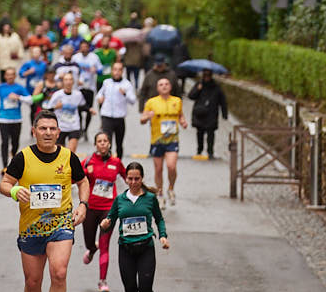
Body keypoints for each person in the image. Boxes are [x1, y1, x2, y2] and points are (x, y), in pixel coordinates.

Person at [0, 110, 89, 292]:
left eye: (52, 129)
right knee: (32, 281)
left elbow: (83, 182)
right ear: (34, 131)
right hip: (31, 227)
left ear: (59, 132)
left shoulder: (69, 157)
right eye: (43, 128)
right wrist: (15, 191)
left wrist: (83, 204)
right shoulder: (23, 157)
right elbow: (4, 183)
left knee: (59, 273)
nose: (48, 133)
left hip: (61, 224)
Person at [100, 161, 168, 292]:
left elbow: (159, 219)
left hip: (145, 248)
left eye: (136, 179)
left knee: (145, 287)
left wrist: (163, 236)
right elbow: (110, 219)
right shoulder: (120, 199)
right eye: (130, 178)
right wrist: (104, 225)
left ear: (142, 178)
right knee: (130, 288)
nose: (133, 182)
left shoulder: (150, 199)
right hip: (126, 249)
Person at [81, 131, 125, 292]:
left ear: (109, 144)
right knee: (89, 242)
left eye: (105, 141)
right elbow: (75, 178)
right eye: (99, 141)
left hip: (109, 209)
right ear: (95, 144)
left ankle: (102, 281)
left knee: (105, 245)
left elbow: (129, 178)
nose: (103, 144)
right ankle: (92, 249)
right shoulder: (87, 162)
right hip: (91, 208)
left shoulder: (116, 162)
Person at [140, 76, 186, 208]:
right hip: (157, 140)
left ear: (170, 87)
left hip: (172, 140)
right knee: (158, 169)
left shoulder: (177, 101)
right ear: (157, 88)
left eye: (167, 84)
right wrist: (146, 117)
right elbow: (142, 119)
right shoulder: (151, 102)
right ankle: (159, 193)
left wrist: (183, 121)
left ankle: (171, 188)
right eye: (161, 84)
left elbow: (180, 115)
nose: (164, 86)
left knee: (171, 166)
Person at [0, 67, 31, 169]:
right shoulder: (0, 87)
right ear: (5, 76)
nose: (10, 76)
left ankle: (13, 156)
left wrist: (18, 97)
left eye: (12, 74)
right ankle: (5, 166)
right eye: (8, 74)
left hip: (16, 119)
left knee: (15, 142)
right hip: (3, 119)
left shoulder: (19, 88)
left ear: (15, 76)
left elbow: (30, 100)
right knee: (4, 142)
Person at [95, 62, 136, 159]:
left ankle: (118, 164)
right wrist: (100, 98)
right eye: (115, 69)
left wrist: (125, 94)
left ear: (122, 71)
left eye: (119, 70)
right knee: (106, 143)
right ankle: (106, 165)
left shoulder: (127, 84)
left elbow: (133, 100)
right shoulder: (107, 82)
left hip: (119, 117)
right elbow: (99, 94)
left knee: (119, 143)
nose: (117, 72)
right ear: (112, 71)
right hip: (107, 116)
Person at [187, 68, 228, 159]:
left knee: (211, 134)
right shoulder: (199, 85)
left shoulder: (216, 87)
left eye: (208, 75)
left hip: (211, 114)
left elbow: (222, 101)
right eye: (205, 75)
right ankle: (199, 150)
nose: (206, 78)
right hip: (200, 113)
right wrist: (197, 89)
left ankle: (210, 151)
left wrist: (224, 114)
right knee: (200, 133)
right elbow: (191, 96)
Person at [45, 72, 88, 151]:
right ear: (63, 82)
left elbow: (83, 106)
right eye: (66, 79)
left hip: (74, 126)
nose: (68, 82)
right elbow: (48, 110)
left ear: (73, 82)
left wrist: (90, 109)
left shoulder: (78, 94)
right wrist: (56, 107)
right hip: (60, 127)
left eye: (70, 79)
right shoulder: (57, 95)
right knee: (60, 153)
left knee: (71, 152)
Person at [72, 40, 102, 135]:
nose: (84, 49)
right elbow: (70, 70)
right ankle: (80, 127)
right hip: (79, 87)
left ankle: (86, 129)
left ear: (89, 48)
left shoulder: (94, 57)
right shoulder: (75, 58)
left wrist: (96, 70)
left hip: (90, 87)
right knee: (79, 108)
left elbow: (101, 70)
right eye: (82, 47)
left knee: (89, 109)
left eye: (86, 47)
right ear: (80, 48)